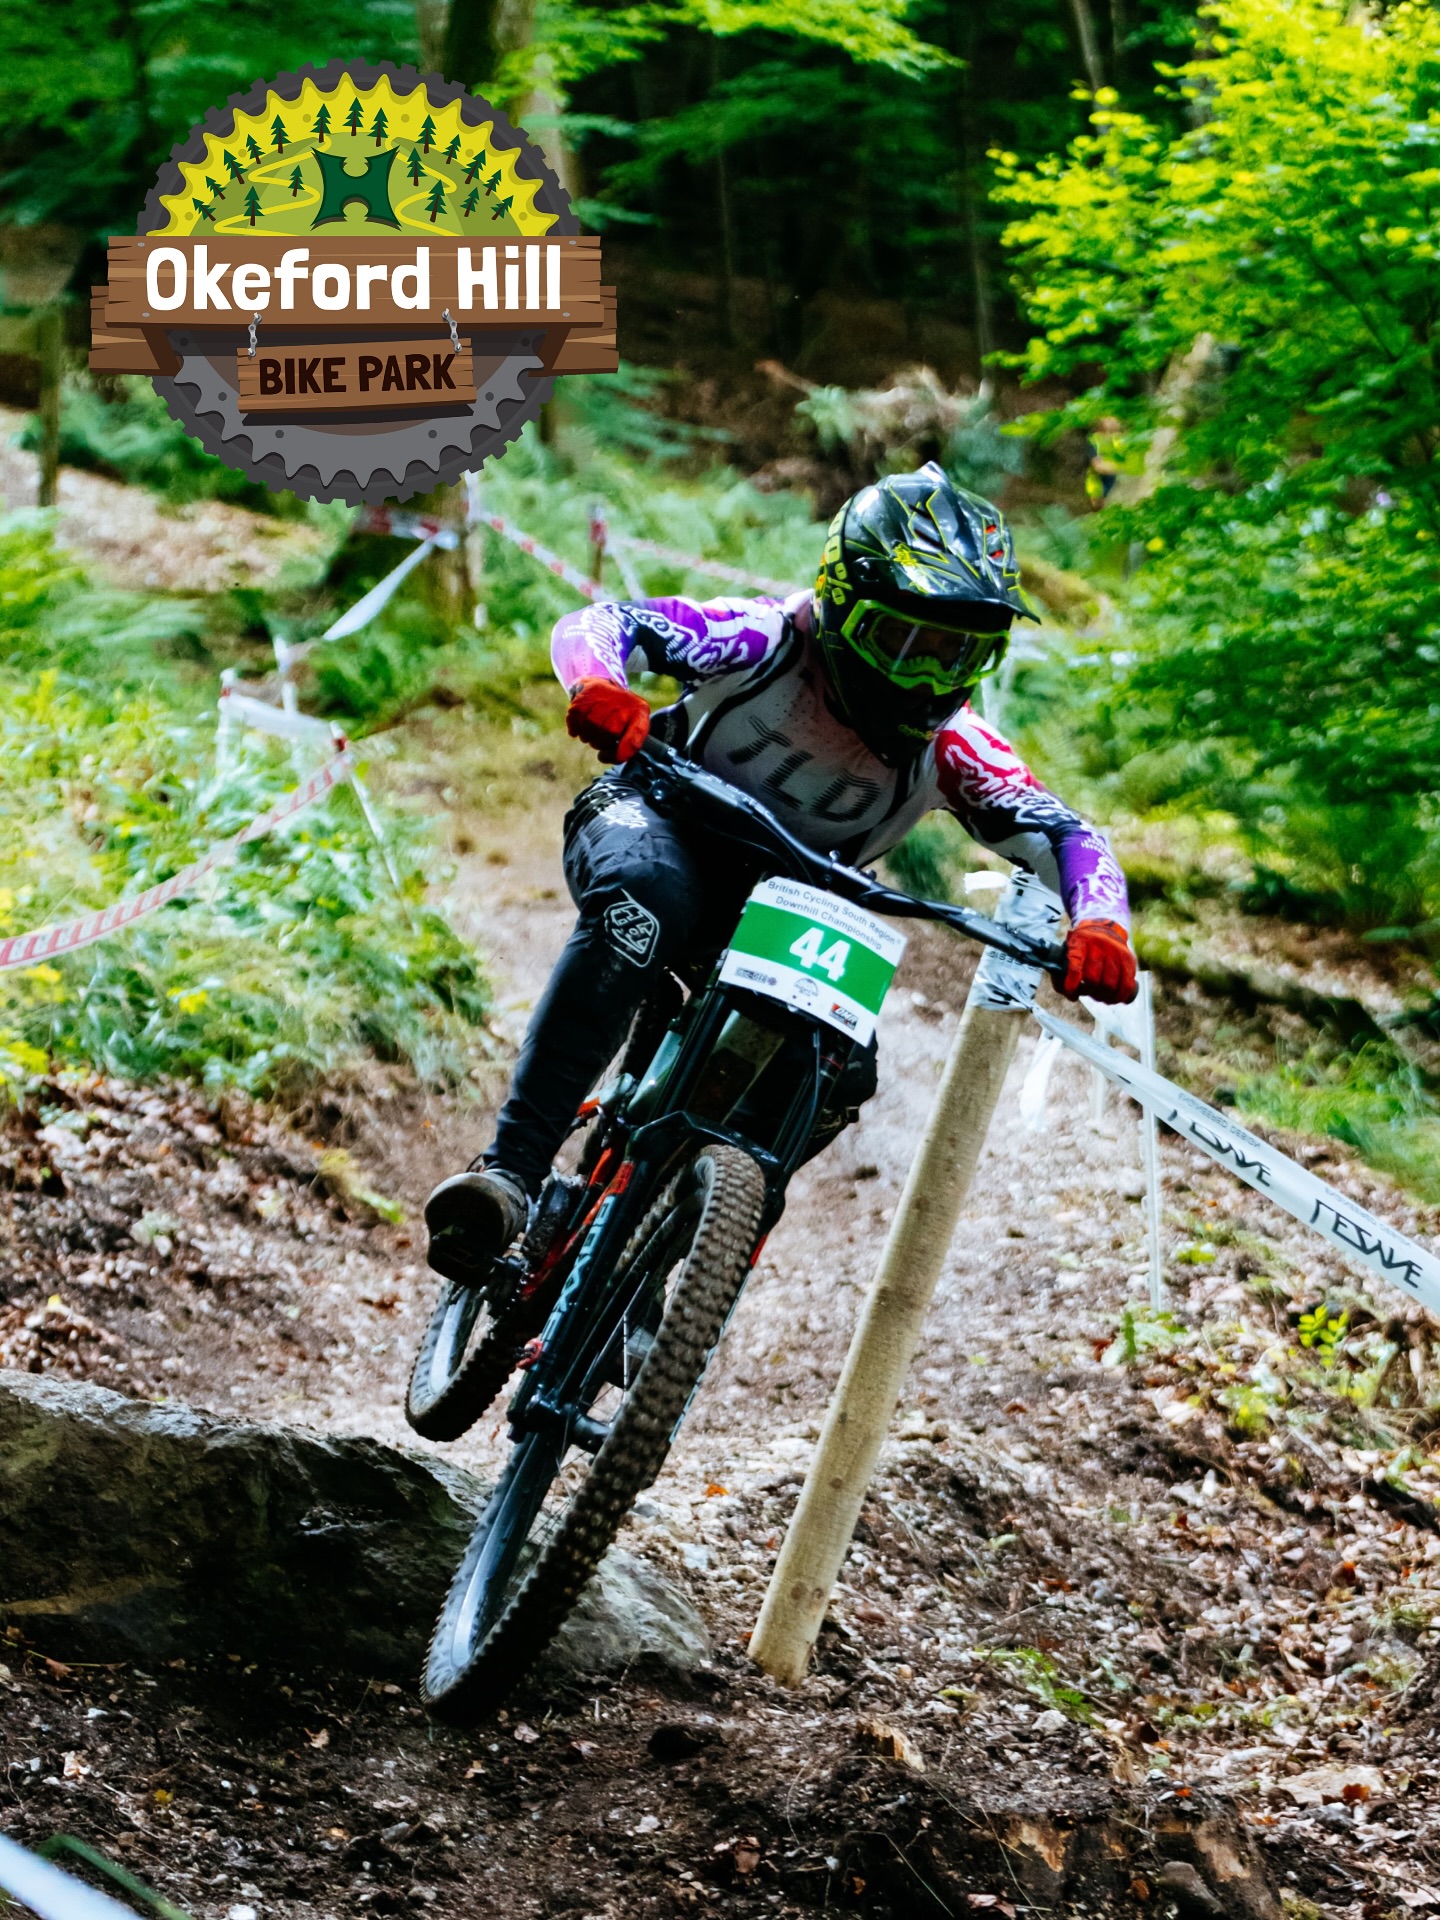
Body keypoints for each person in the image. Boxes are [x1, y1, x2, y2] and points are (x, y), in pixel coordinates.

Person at [424, 464, 1136, 1285]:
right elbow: (608, 622)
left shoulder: (956, 747)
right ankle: (510, 1174)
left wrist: (1100, 922)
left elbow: (1068, 833)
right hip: (658, 821)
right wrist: (600, 685)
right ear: (839, 606)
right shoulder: (764, 640)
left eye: (958, 653)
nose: (926, 678)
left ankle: (679, 1250)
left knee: (841, 1069)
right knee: (643, 907)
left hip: (786, 898)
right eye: (903, 643)